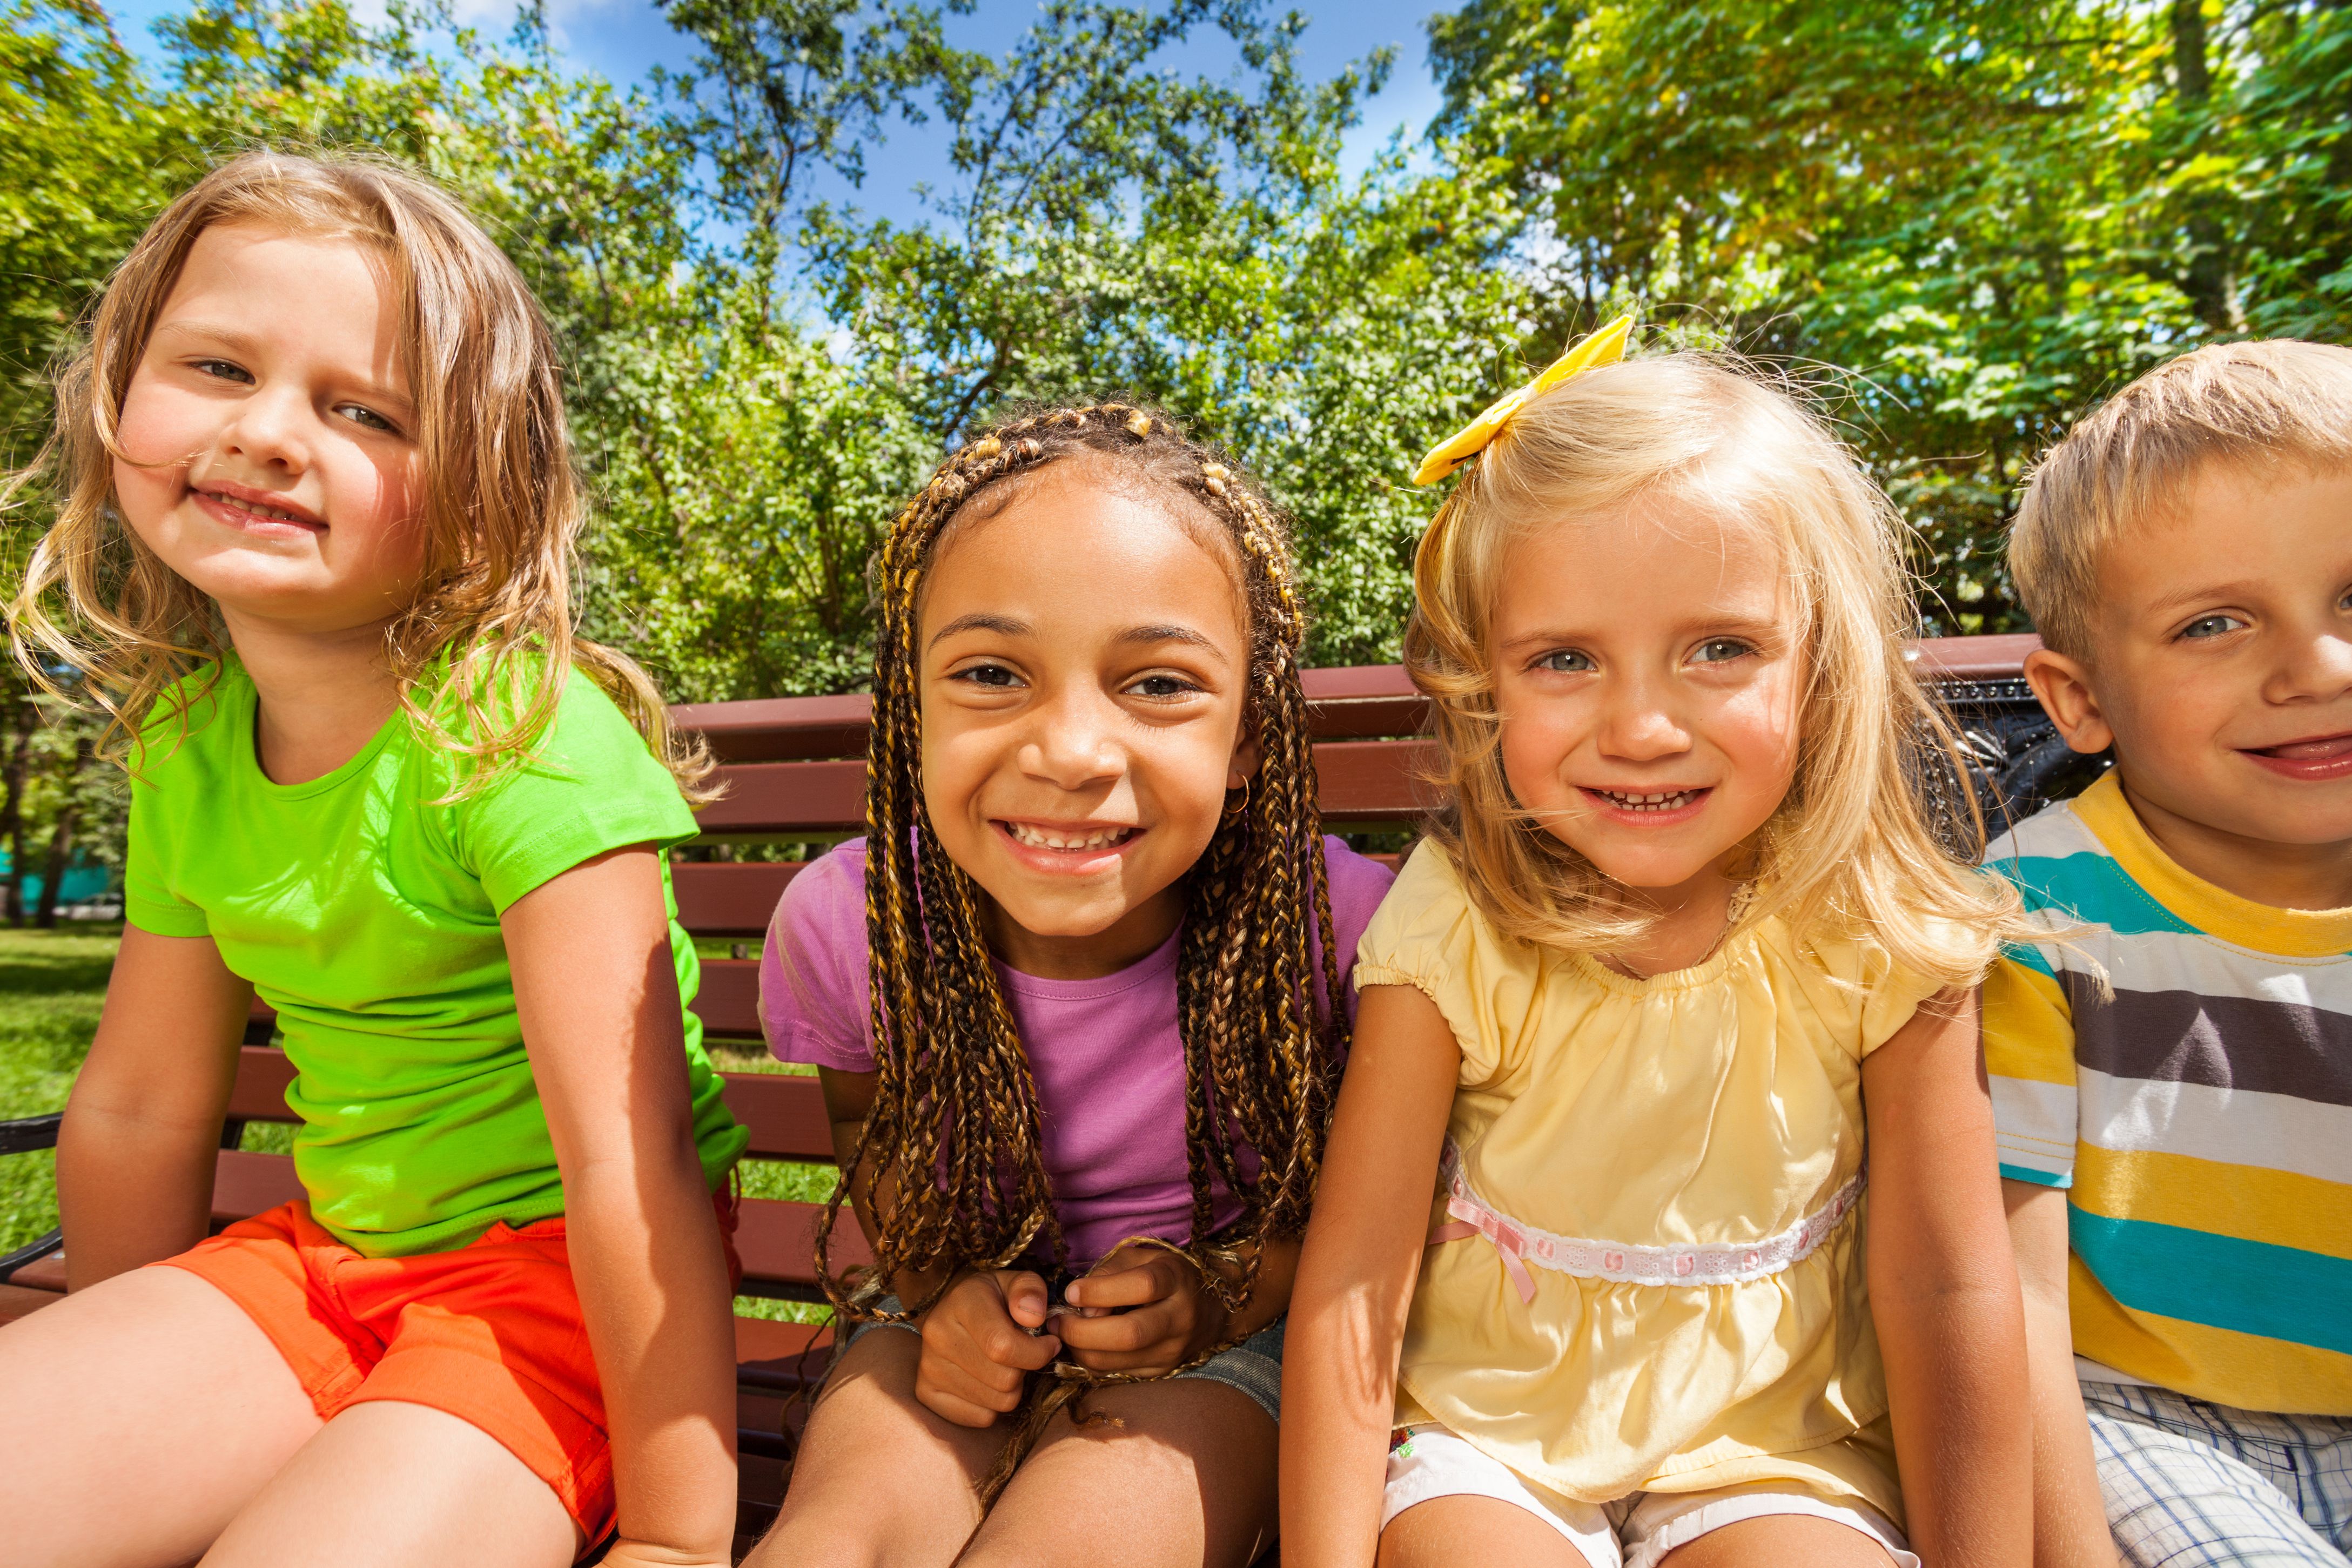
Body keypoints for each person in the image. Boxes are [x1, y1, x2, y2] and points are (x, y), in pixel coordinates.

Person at [0, 151, 747, 1568]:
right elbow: (145, 1106)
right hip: (321, 1266)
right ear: (118, 393)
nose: (272, 434)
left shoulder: (524, 741)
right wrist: (150, 1391)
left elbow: (630, 1164)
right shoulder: (193, 740)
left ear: (478, 491)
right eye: (219, 367)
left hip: (561, 1303)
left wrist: (677, 1540)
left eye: (365, 411)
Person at [1281, 322, 2038, 1568]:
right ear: (1485, 683)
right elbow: (1355, 1286)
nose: (1639, 727)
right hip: (1489, 1433)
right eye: (1564, 660)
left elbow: (1946, 1287)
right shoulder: (1457, 915)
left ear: (1820, 665)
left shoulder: (1878, 927)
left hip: (1777, 1446)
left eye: (1719, 649)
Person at [744, 402, 1395, 1568]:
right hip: (944, 1319)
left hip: (1237, 1339)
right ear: (915, 705)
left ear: (1250, 732)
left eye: (1156, 685)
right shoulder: (852, 927)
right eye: (992, 673)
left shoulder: (1342, 931)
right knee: (828, 1543)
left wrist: (1224, 1294)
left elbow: (1394, 1218)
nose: (1071, 751)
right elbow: (876, 1141)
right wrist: (940, 1291)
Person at [1985, 339, 2352, 1568]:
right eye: (2212, 624)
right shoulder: (2036, 911)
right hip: (2138, 1419)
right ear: (2077, 701)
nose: (2314, 668)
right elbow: (2013, 1295)